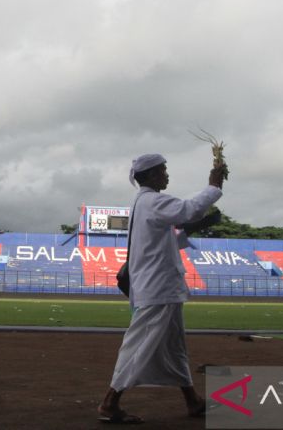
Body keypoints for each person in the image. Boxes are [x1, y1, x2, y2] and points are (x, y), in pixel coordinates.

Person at [98, 154, 225, 424]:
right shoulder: (154, 201)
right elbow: (189, 209)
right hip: (159, 290)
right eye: (164, 171)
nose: (167, 176)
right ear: (153, 175)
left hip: (160, 288)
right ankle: (109, 403)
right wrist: (214, 186)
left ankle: (192, 400)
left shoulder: (143, 203)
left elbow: (163, 243)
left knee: (175, 347)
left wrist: (192, 228)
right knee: (138, 347)